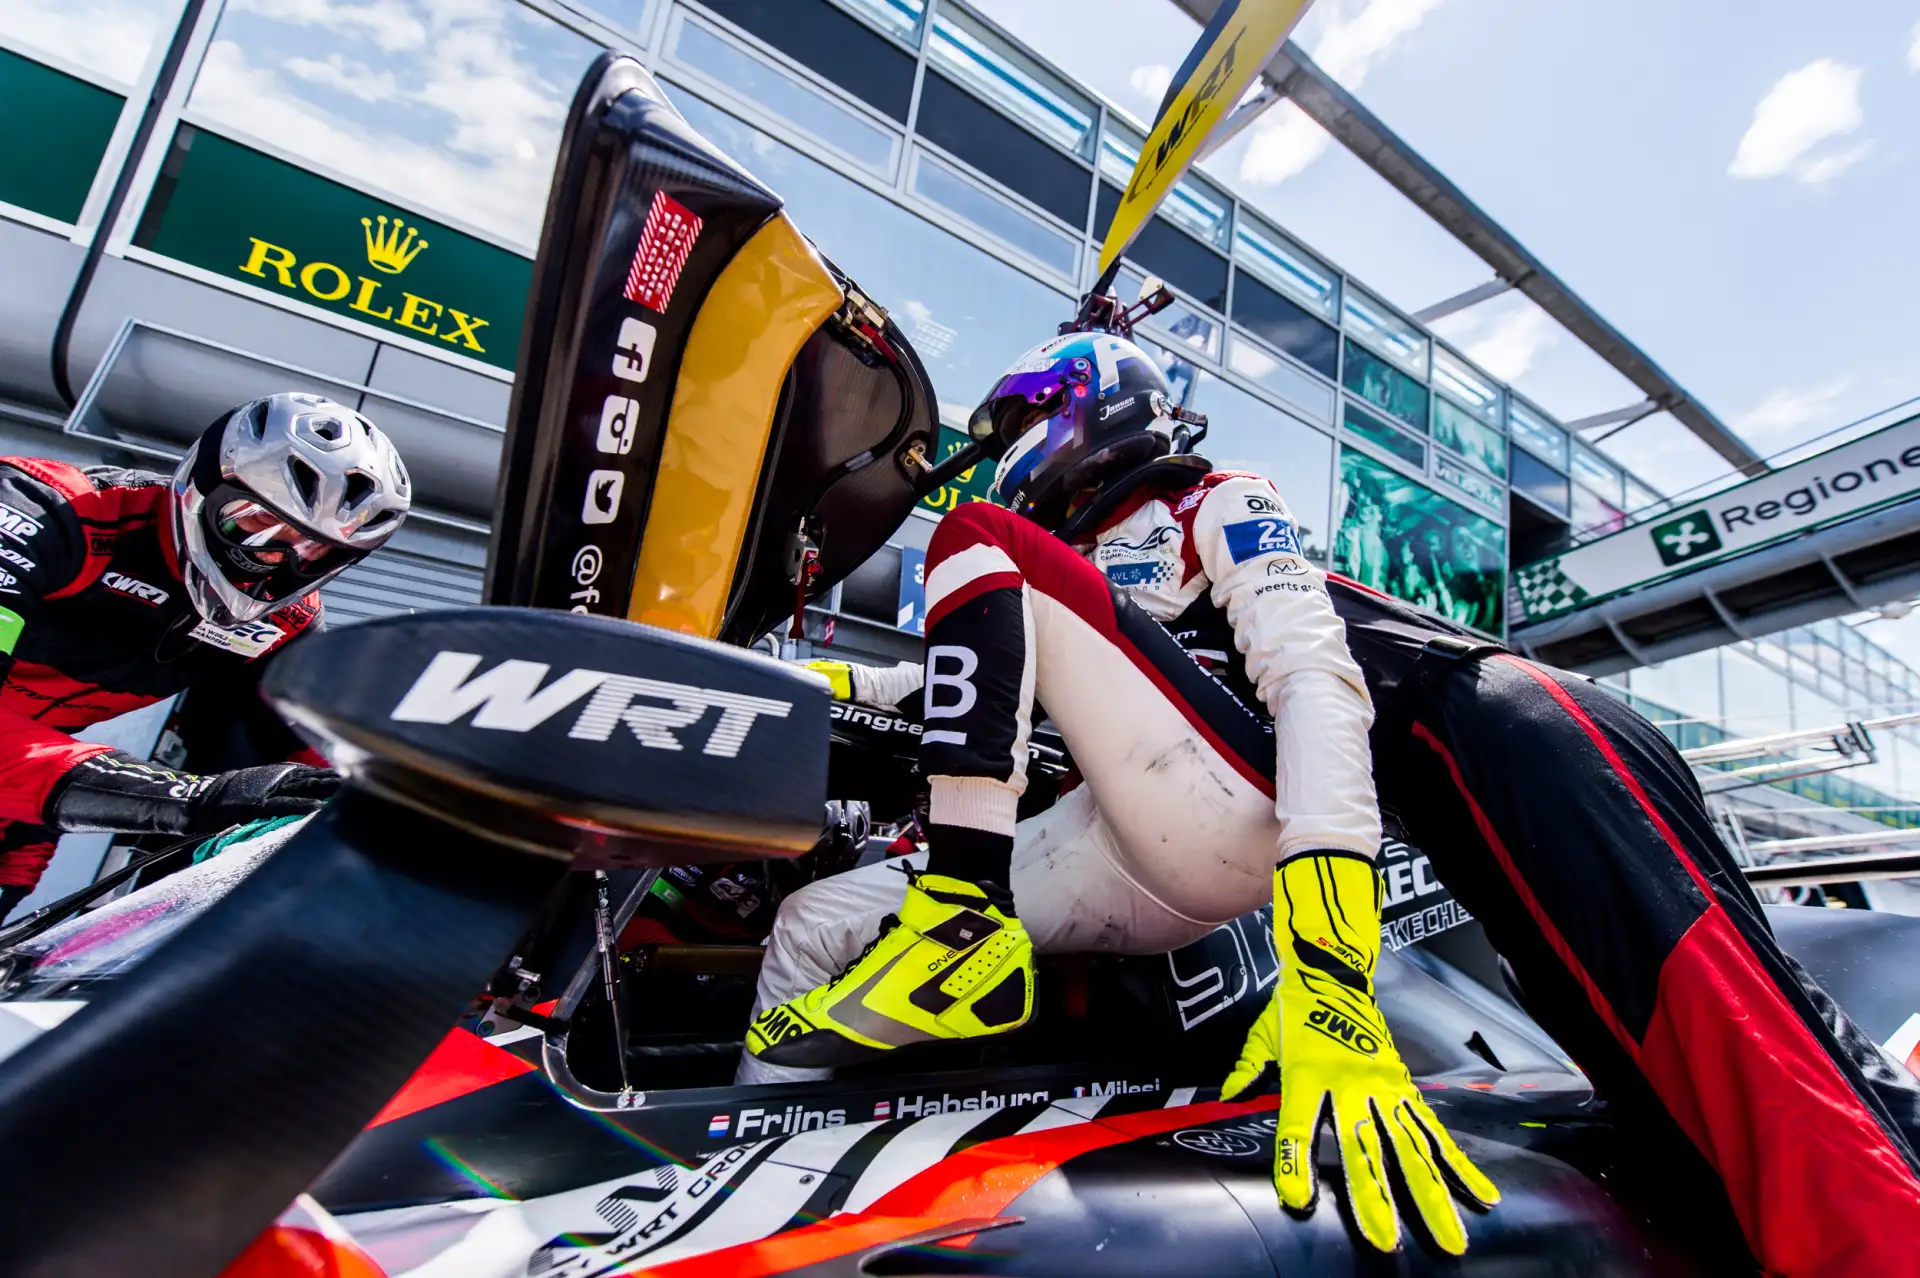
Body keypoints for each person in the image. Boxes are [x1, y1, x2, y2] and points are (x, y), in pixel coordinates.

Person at [739, 331, 1498, 1256]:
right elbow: (947, 687)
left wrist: (1331, 959)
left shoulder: (1220, 499)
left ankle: (960, 915)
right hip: (1115, 840)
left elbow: (1316, 681)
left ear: (1086, 399)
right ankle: (743, 1200)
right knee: (811, 924)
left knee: (976, 534)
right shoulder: (1064, 567)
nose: (1011, 449)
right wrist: (806, 683)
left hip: (1237, 810)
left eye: (1022, 420)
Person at [1324, 572, 1920, 1275]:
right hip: (1474, 756)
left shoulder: (1224, 544)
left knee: (1732, 1037)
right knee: (1662, 1089)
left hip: (1502, 731)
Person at [0, 392, 411, 919]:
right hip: (39, 779)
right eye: (257, 522)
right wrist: (186, 799)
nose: (272, 558)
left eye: (313, 550)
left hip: (26, 803)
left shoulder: (285, 622)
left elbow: (317, 757)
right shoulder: (46, 510)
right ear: (202, 482)